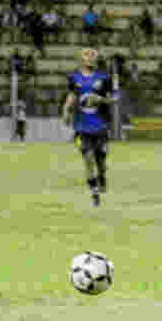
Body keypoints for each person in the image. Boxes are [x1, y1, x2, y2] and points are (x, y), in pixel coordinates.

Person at [64, 48, 116, 207]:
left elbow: (114, 98)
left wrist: (99, 98)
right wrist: (65, 110)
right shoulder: (74, 78)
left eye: (94, 56)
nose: (91, 58)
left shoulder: (104, 78)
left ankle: (101, 177)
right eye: (88, 55)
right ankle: (94, 193)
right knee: (88, 158)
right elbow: (72, 96)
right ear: (82, 59)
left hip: (100, 126)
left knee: (100, 159)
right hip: (81, 126)